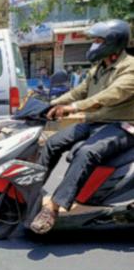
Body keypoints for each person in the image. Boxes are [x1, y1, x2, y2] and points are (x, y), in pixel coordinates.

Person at [30, 19, 134, 234]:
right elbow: (79, 91)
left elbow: (109, 96)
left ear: (113, 42)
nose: (93, 45)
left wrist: (74, 108)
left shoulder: (129, 69)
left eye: (98, 40)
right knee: (52, 143)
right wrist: (53, 103)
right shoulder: (99, 67)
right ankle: (31, 194)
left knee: (86, 152)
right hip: (95, 122)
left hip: (122, 127)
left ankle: (54, 207)